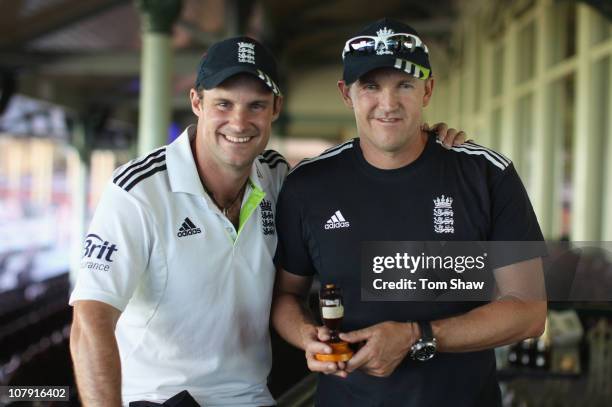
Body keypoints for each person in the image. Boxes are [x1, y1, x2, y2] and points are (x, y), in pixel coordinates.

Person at [68, 35, 467, 406]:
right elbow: (90, 321)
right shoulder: (138, 191)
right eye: (224, 104)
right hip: (158, 398)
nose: (240, 122)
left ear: (276, 107)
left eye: (256, 105)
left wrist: (419, 138)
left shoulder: (278, 178)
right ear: (196, 102)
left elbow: (353, 170)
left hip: (250, 397)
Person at [272, 18, 547, 407]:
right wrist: (307, 335)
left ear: (428, 89)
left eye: (404, 84)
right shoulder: (308, 186)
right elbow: (286, 294)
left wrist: (418, 335)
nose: (388, 104)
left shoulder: (485, 174)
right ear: (346, 94)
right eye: (370, 86)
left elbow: (530, 311)